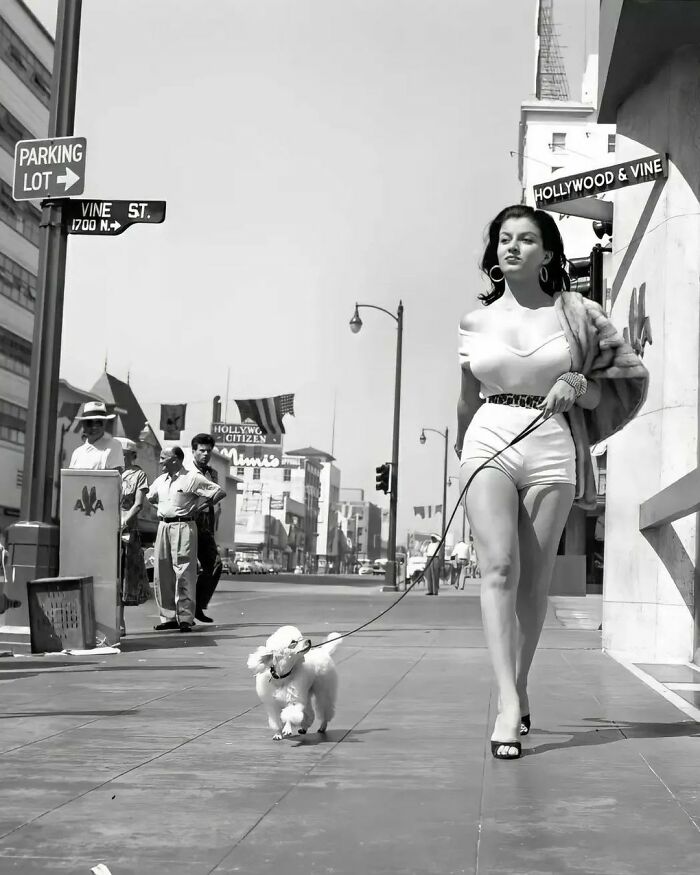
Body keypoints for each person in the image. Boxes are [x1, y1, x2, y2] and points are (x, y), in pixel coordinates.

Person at [455, 204, 648, 760]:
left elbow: (620, 382)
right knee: (498, 569)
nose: (513, 247)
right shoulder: (473, 322)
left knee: (534, 581)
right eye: (504, 240)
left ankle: (519, 681)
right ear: (494, 253)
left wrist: (575, 382)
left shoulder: (578, 314)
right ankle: (508, 704)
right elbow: (467, 401)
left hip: (551, 445)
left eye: (526, 239)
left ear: (548, 253)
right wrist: (461, 463)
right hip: (489, 440)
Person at [147, 447, 226, 633]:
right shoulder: (160, 480)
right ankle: (168, 617)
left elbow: (219, 492)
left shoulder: (192, 478)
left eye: (163, 458)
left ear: (175, 459)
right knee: (162, 572)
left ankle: (185, 617)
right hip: (164, 526)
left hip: (184, 526)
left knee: (184, 571)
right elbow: (150, 497)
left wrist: (199, 508)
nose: (160, 462)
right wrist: (163, 507)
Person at [116, 438, 150, 636]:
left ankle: (119, 621)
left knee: (122, 576)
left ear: (131, 455)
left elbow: (138, 504)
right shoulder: (112, 472)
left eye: (122, 453)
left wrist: (124, 521)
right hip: (105, 526)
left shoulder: (139, 475)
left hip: (126, 529)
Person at [190, 433, 224, 623]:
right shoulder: (185, 471)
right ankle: (180, 611)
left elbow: (213, 501)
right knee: (183, 570)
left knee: (215, 565)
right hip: (185, 523)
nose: (205, 454)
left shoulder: (212, 474)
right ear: (193, 451)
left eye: (208, 451)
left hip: (204, 528)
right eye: (201, 450)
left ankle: (197, 606)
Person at [68, 401, 124, 471]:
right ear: (83, 424)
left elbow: (115, 478)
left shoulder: (113, 445)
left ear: (105, 423)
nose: (94, 427)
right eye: (89, 423)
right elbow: (70, 479)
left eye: (98, 422)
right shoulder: (77, 453)